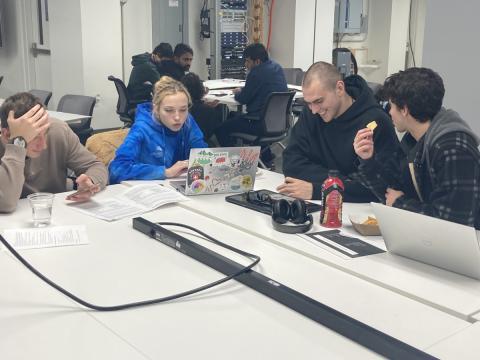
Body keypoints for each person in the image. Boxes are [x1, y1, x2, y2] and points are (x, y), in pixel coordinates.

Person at [353, 67, 480, 228]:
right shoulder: (413, 139)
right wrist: (368, 160)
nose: (390, 112)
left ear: (404, 109)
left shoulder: (453, 148)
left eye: (391, 106)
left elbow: (454, 223)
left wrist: (400, 204)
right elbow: (390, 190)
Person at [277, 61, 398, 202]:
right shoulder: (312, 113)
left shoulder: (376, 122)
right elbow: (291, 163)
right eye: (309, 103)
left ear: (339, 88)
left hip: (359, 212)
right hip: (317, 204)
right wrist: (343, 182)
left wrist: (320, 189)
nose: (314, 110)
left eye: (319, 101)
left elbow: (378, 187)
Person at [0, 92, 108, 212]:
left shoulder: (57, 130)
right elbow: (6, 203)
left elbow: (95, 166)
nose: (44, 144)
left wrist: (90, 181)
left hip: (57, 212)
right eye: (34, 136)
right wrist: (18, 143)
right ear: (6, 134)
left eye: (45, 133)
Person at [109, 76, 207, 183]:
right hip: (148, 190)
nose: (178, 117)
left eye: (183, 109)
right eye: (169, 110)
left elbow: (202, 154)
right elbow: (116, 170)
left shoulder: (187, 121)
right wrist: (165, 172)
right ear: (156, 109)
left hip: (179, 188)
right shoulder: (142, 128)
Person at [215, 43, 288, 163]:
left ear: (257, 61)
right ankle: (266, 158)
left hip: (259, 125)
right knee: (234, 116)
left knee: (221, 128)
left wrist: (238, 92)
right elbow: (262, 89)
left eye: (248, 61)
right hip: (278, 125)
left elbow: (243, 99)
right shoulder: (277, 67)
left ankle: (235, 162)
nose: (246, 65)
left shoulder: (256, 73)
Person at [181, 72, 223, 144]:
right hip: (201, 145)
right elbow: (213, 132)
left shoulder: (178, 109)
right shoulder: (209, 111)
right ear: (201, 89)